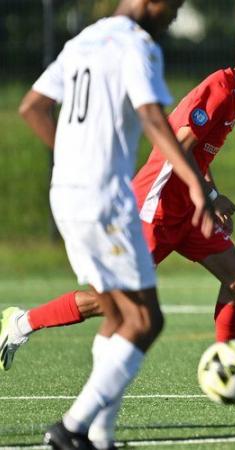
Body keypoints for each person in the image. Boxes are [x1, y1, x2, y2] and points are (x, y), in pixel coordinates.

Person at [2, 21, 235, 404]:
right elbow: (177, 147)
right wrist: (210, 194)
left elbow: (198, 152)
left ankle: (228, 365)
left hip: (186, 210)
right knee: (110, 301)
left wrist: (209, 194)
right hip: (154, 208)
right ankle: (21, 323)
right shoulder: (219, 92)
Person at [13, 0, 216, 448]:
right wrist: (196, 184)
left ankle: (101, 438)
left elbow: (32, 107)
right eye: (174, 5)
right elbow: (151, 117)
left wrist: (69, 160)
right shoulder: (137, 45)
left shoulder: (83, 41)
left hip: (66, 195)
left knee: (117, 314)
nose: (175, 14)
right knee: (146, 320)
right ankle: (71, 428)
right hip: (104, 199)